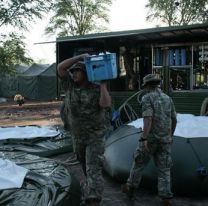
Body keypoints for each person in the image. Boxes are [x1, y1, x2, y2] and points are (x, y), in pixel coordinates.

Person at [57, 54, 112, 206]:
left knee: (93, 167)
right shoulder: (69, 86)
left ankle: (93, 198)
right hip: (77, 137)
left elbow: (106, 105)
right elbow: (61, 67)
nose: (74, 74)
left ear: (86, 73)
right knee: (84, 165)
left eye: (78, 71)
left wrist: (103, 85)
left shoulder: (96, 89)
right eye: (73, 71)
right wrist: (80, 57)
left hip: (95, 136)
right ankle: (90, 186)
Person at [121, 74, 177, 206]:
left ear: (147, 86)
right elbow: (174, 119)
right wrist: (171, 136)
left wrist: (144, 138)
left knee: (138, 164)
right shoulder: (168, 98)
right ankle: (166, 198)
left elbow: (148, 118)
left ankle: (130, 188)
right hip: (164, 140)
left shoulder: (147, 97)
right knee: (164, 170)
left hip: (150, 140)